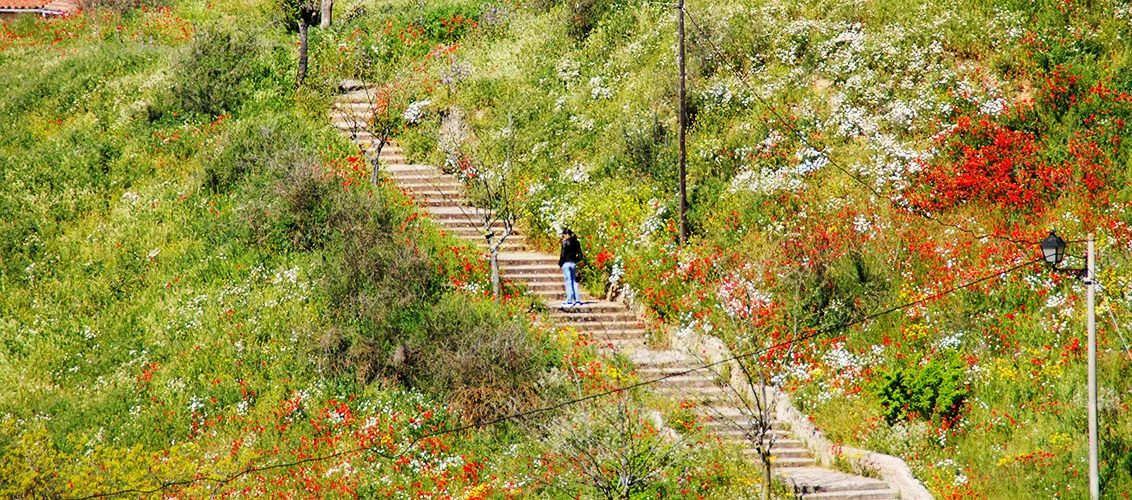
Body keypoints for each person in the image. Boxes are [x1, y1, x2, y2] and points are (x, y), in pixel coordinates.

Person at [558, 228, 584, 307]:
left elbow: (563, 255)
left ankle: (569, 301)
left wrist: (560, 263)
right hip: (573, 263)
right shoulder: (577, 242)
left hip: (566, 263)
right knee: (574, 282)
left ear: (566, 234)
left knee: (568, 282)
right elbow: (580, 255)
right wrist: (575, 260)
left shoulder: (565, 243)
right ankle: (577, 300)